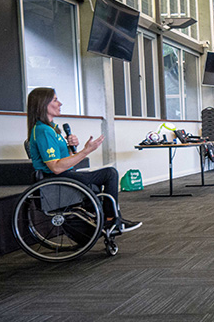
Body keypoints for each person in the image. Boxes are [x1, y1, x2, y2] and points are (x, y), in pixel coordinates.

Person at [27, 87, 141, 233]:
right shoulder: (44, 131)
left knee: (102, 179)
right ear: (43, 104)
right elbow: (55, 167)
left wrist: (70, 148)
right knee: (110, 173)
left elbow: (61, 160)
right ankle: (111, 220)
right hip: (56, 177)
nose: (60, 103)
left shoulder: (51, 129)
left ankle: (108, 219)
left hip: (62, 174)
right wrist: (86, 151)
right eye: (55, 100)